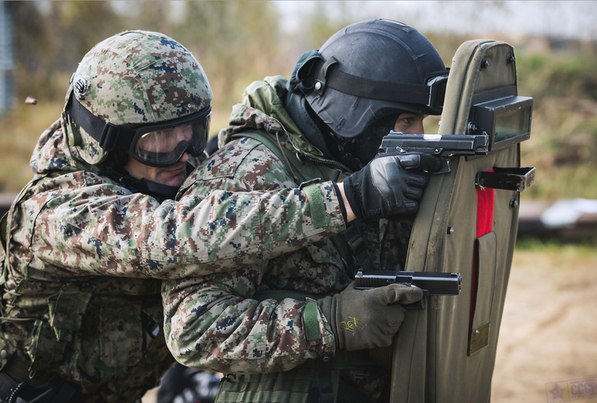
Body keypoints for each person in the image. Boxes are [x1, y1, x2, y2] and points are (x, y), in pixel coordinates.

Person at [0, 29, 437, 402]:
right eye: (160, 141)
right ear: (105, 143)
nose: (186, 155)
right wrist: (347, 198)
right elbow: (177, 238)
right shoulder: (58, 212)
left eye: (193, 131)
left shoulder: (160, 176)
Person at [162, 19, 447, 402]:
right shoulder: (245, 173)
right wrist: (330, 322)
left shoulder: (356, 159)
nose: (417, 137)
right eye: (406, 121)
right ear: (356, 113)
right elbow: (194, 331)